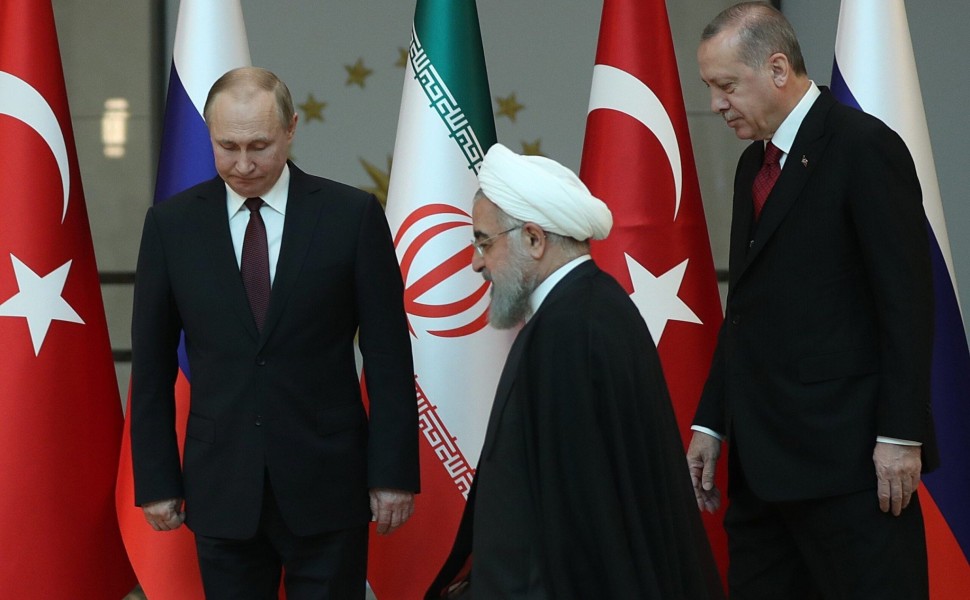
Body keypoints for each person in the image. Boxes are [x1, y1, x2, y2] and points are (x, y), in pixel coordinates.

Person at [130, 66, 419, 599]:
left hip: (328, 485)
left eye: (259, 145)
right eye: (227, 146)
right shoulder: (172, 227)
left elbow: (388, 356)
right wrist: (156, 480)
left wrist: (393, 473)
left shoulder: (349, 217)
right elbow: (150, 367)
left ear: (291, 128)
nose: (243, 164)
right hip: (221, 486)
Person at [687, 3, 938, 599]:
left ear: (777, 68)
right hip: (761, 469)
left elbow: (905, 300)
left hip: (850, 468)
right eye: (712, 88)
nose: (717, 104)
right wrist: (711, 420)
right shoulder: (754, 163)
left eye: (726, 86)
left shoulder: (863, 148)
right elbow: (745, 307)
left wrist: (901, 435)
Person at [426, 143, 724, 599]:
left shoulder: (570, 331)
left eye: (484, 241)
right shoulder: (588, 309)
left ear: (533, 239)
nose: (476, 262)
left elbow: (575, 516)